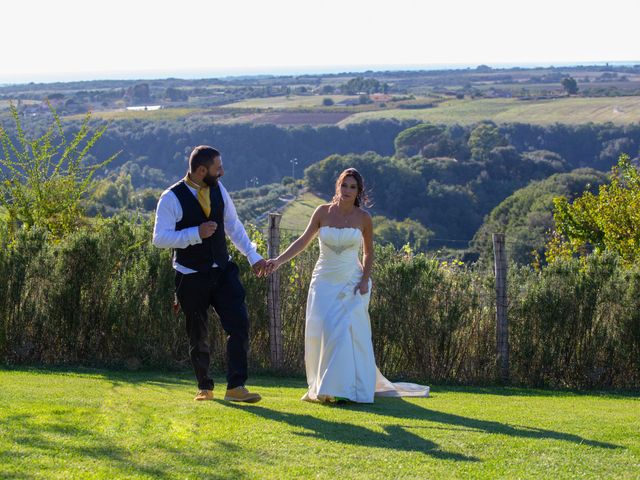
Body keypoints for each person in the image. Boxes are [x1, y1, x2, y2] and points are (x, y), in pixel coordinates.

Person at [266, 168, 429, 403]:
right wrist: (277, 261)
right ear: (338, 186)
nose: (347, 191)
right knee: (322, 330)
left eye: (352, 187)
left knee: (341, 331)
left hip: (351, 281)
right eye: (344, 185)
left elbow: (369, 252)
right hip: (323, 279)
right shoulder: (322, 212)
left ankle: (339, 389)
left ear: (358, 191)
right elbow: (302, 241)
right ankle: (325, 385)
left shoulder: (364, 218)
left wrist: (364, 280)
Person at [153, 145, 267, 402]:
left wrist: (253, 256)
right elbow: (159, 238)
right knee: (198, 334)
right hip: (190, 274)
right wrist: (195, 234)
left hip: (223, 270)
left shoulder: (219, 189)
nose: (223, 172)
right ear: (202, 170)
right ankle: (205, 387)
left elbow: (233, 226)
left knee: (239, 324)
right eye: (218, 168)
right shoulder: (170, 197)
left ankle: (236, 387)